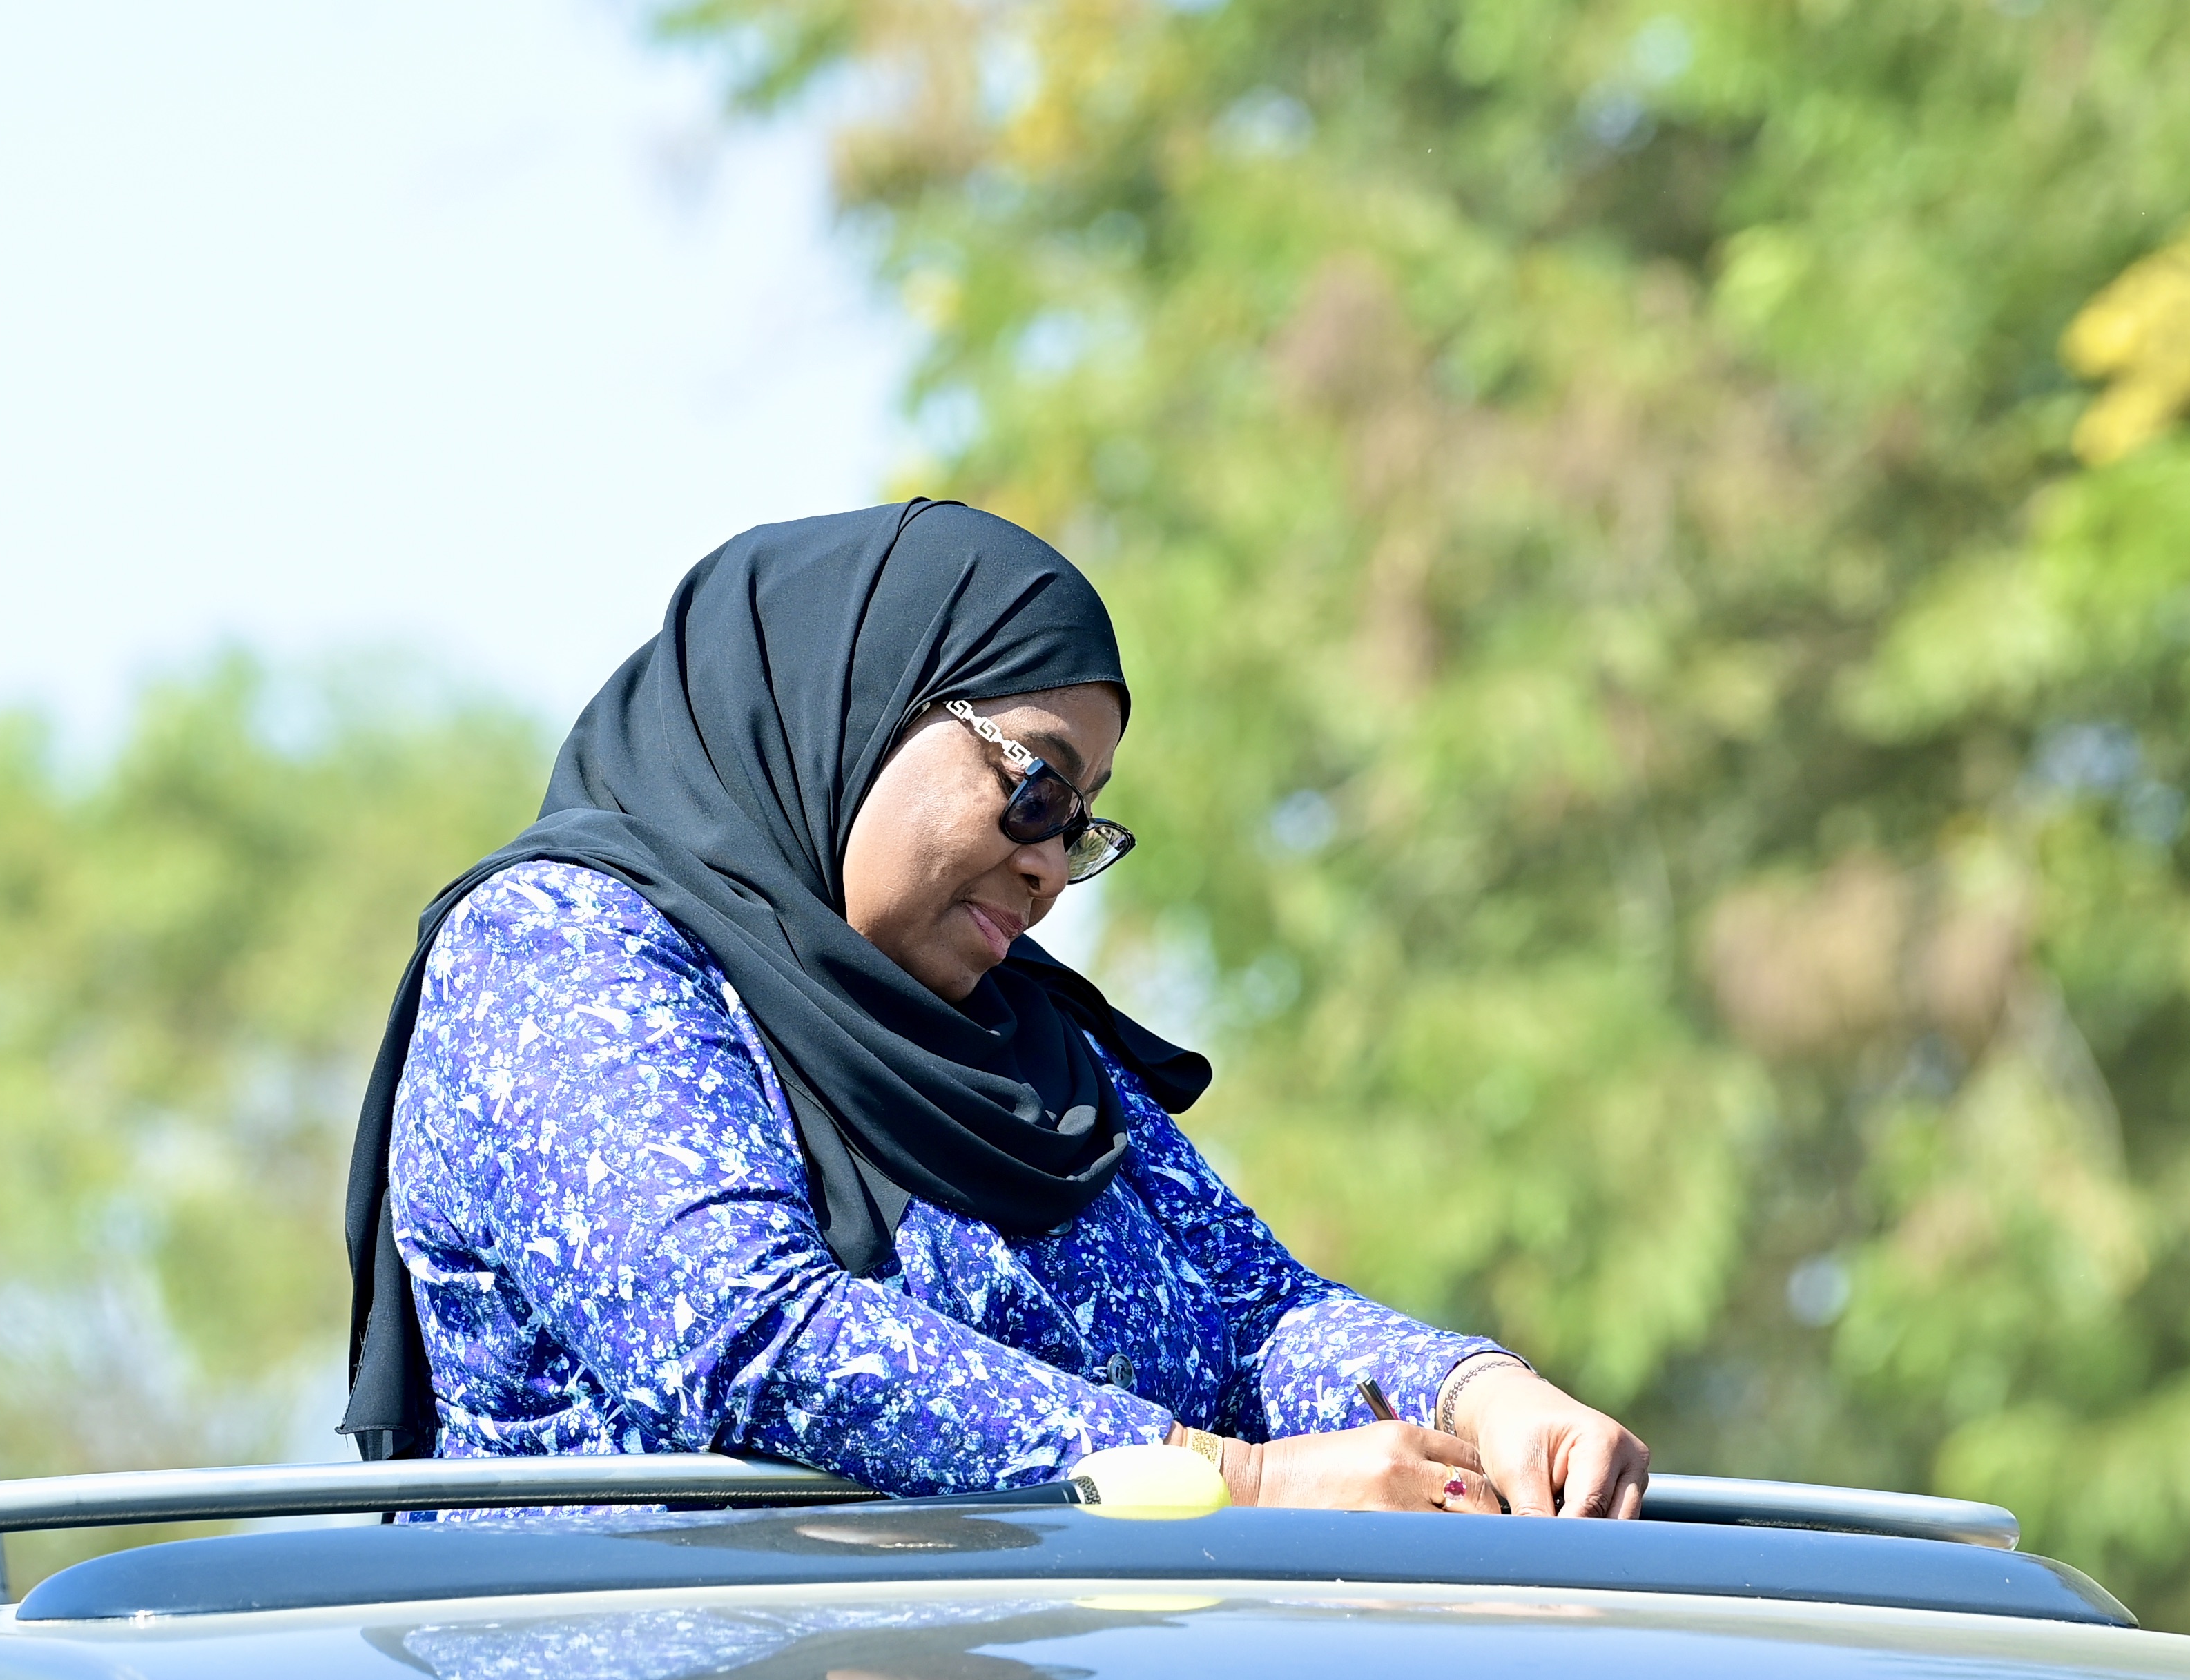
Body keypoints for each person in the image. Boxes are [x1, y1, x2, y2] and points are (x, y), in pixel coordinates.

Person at [340, 501, 1649, 1516]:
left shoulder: (1030, 1052)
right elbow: (736, 1335)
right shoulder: (559, 946)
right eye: (1036, 788)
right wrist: (1234, 1481)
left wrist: (1483, 1395)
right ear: (857, 700)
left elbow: (1256, 1320)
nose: (1049, 866)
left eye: (1079, 827)